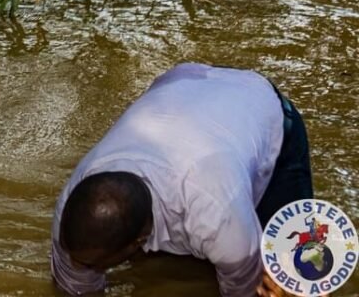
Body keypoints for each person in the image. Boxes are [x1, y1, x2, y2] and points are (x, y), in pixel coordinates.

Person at [51, 63, 314, 297]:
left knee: (289, 269)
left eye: (89, 265)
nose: (75, 265)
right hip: (185, 85)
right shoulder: (74, 206)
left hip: (263, 110)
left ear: (140, 240)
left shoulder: (219, 218)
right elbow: (75, 288)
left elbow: (242, 289)